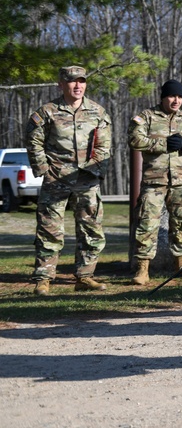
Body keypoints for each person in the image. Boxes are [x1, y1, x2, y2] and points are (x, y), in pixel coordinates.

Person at [26, 66, 112, 295]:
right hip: (56, 179)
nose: (78, 86)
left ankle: (85, 277)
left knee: (91, 229)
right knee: (49, 229)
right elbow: (34, 141)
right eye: (72, 81)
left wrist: (96, 170)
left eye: (81, 81)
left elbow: (104, 146)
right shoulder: (47, 112)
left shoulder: (97, 112)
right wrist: (44, 169)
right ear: (61, 84)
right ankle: (43, 279)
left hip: (87, 179)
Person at [128, 79, 182, 285]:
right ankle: (143, 269)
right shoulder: (147, 116)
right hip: (154, 181)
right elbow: (134, 139)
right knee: (147, 224)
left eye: (180, 97)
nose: (176, 100)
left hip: (180, 181)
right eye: (172, 96)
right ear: (163, 97)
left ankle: (181, 264)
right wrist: (162, 144)